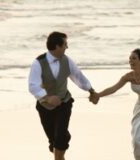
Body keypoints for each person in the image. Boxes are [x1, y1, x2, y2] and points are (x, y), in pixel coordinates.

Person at [28, 31, 98, 160]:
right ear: (57, 46)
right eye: (65, 44)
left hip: (64, 103)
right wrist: (48, 98)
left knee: (60, 137)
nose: (67, 47)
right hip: (44, 107)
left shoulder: (67, 60)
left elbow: (78, 76)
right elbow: (33, 86)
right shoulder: (38, 63)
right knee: (53, 140)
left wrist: (91, 91)